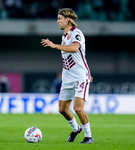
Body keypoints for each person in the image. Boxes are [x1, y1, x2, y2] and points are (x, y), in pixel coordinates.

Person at [41, 8, 93, 144]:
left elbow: (75, 48)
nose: (57, 21)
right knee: (62, 109)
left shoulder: (77, 33)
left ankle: (88, 136)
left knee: (77, 108)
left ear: (67, 20)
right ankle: (76, 129)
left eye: (60, 19)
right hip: (68, 78)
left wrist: (54, 46)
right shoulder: (64, 37)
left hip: (80, 77)